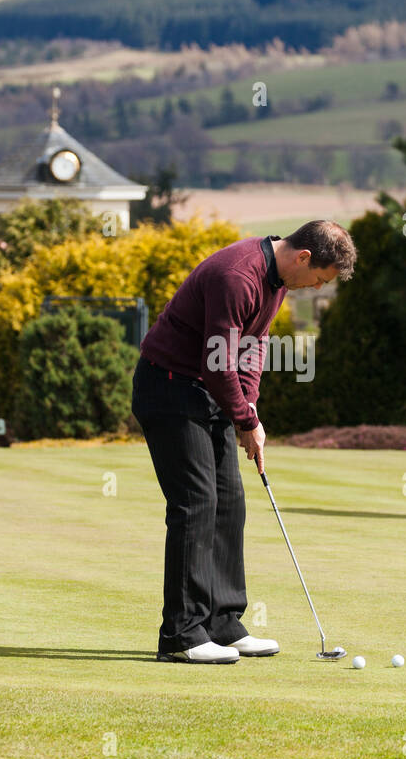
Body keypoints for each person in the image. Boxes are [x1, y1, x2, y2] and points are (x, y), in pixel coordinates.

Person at [132, 221, 357, 664]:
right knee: (195, 504)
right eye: (319, 280)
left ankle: (222, 623)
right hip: (170, 389)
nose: (314, 288)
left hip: (205, 391)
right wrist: (242, 417)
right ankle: (181, 635)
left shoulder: (278, 280)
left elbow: (253, 348)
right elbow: (217, 364)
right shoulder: (238, 275)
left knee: (230, 503)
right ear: (304, 258)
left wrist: (249, 411)